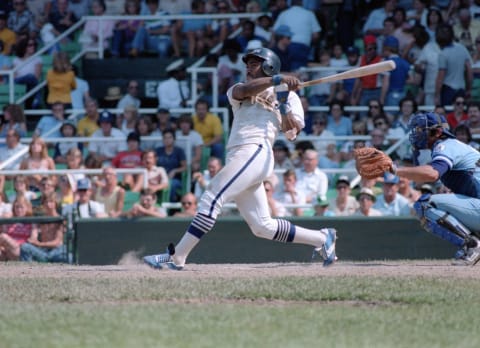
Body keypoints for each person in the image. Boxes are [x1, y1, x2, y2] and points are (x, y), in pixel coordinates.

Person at [143, 47, 337, 270]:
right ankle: (323, 239)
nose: (248, 67)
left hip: (256, 151)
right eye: (248, 63)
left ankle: (177, 257)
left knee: (211, 198)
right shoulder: (241, 88)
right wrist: (277, 80)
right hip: (239, 155)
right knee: (262, 226)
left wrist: (283, 104)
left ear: (268, 66)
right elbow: (244, 91)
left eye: (254, 64)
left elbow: (291, 132)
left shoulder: (291, 96)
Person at [391, 111, 480, 266]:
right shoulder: (453, 147)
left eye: (421, 129)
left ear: (437, 132)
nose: (416, 133)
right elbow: (421, 180)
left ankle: (472, 245)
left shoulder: (446, 145)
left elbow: (431, 174)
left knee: (425, 204)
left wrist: (396, 170)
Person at [20, 192, 66, 263]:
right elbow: (34, 234)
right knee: (25, 247)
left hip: (56, 251)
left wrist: (39, 244)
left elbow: (57, 242)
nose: (48, 204)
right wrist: (33, 238)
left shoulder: (60, 219)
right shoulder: (40, 218)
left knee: (62, 253)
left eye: (51, 202)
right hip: (43, 251)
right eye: (46, 202)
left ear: (55, 203)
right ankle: (28, 270)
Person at [0, 196, 35, 261]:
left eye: (21, 207)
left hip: (21, 250)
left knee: (3, 236)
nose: (19, 210)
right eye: (17, 207)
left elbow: (33, 240)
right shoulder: (10, 220)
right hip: (7, 249)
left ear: (27, 208)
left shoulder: (31, 221)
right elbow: (4, 232)